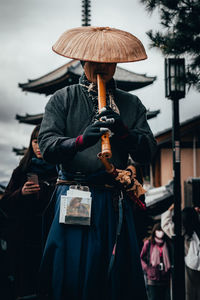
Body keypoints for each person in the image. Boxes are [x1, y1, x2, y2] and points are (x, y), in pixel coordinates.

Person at [37, 26, 157, 300]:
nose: (102, 67)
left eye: (108, 62)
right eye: (95, 62)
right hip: (74, 193)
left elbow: (147, 152)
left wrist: (125, 134)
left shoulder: (131, 103)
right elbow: (47, 147)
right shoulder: (63, 98)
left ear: (116, 64)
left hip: (113, 198)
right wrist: (81, 141)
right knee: (71, 272)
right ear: (83, 62)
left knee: (115, 276)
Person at [0, 124, 57, 299]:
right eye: (34, 141)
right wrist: (21, 193)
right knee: (24, 286)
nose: (38, 145)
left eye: (42, 141)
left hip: (49, 236)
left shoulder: (59, 170)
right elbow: (5, 203)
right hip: (23, 239)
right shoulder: (21, 171)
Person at [162, 205, 200, 300]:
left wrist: (170, 209)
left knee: (189, 293)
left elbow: (165, 224)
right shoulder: (197, 231)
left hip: (189, 267)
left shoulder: (181, 232)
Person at [140, 223, 171, 300]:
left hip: (165, 277)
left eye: (162, 231)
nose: (160, 233)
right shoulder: (149, 243)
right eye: (158, 230)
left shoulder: (167, 243)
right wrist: (147, 269)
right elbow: (141, 258)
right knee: (153, 297)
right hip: (152, 278)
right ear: (154, 231)